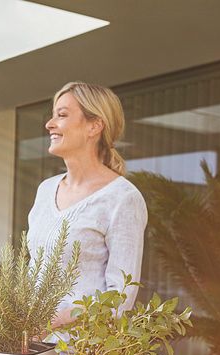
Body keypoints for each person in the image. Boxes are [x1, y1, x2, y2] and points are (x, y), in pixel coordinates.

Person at [27, 81, 147, 327]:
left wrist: (56, 319)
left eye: (62, 115)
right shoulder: (46, 190)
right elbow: (33, 272)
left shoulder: (122, 198)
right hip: (28, 347)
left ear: (94, 126)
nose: (49, 124)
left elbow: (120, 299)